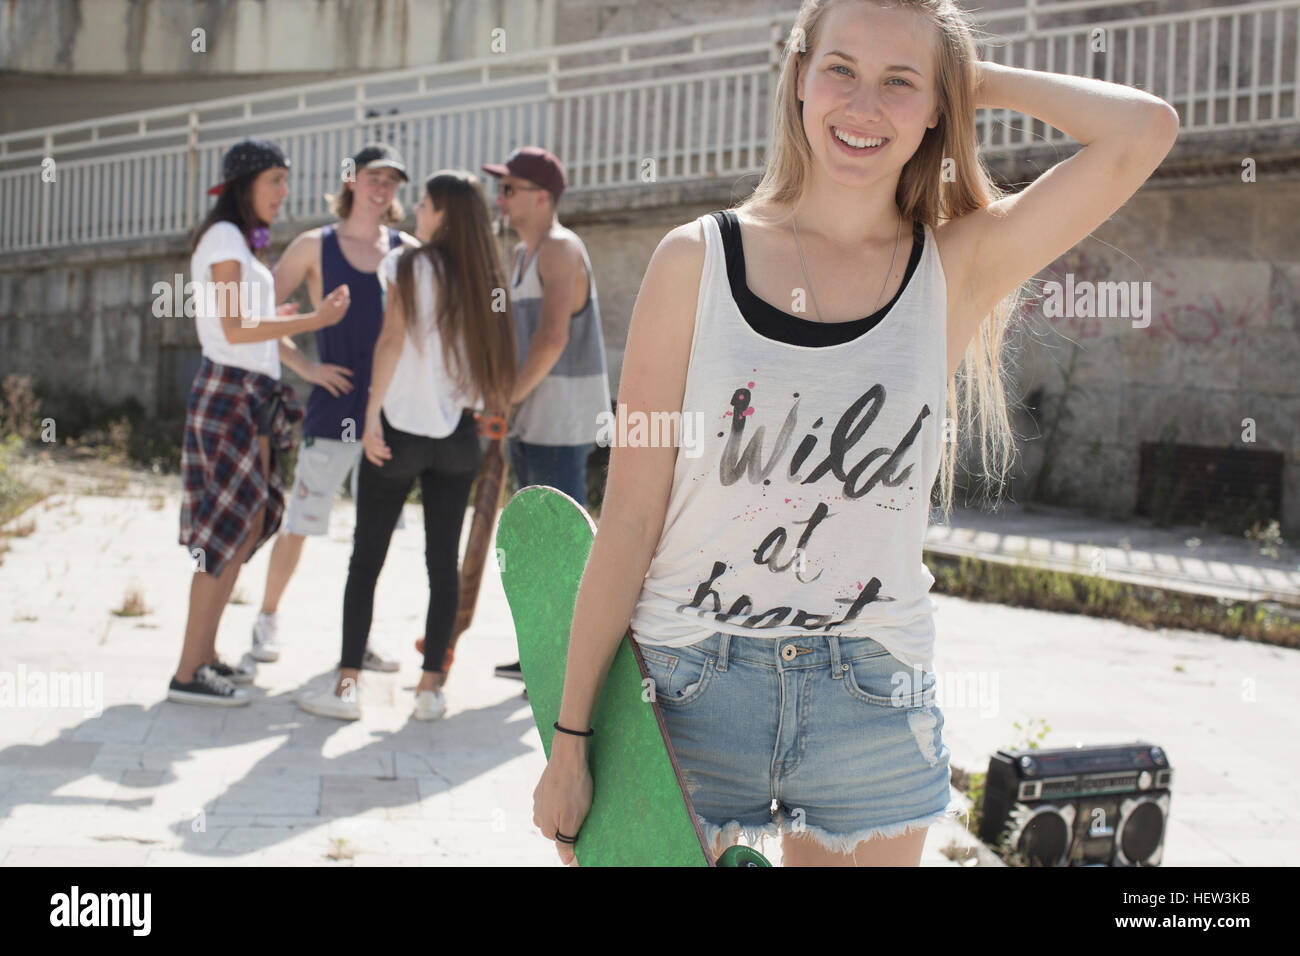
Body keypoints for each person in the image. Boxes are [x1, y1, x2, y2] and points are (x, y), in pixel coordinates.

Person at [530, 0, 1178, 865]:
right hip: (688, 681)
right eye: (841, 69)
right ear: (798, 77)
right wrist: (572, 739)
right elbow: (631, 518)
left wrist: (968, 77)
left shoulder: (955, 266)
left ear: (937, 107)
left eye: (899, 83)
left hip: (870, 689)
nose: (864, 105)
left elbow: (1143, 131)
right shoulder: (696, 263)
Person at [295, 170, 517, 722]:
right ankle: (429, 689)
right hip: (459, 437)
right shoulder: (485, 274)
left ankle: (347, 686)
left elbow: (391, 340)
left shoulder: (406, 263)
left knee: (366, 558)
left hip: (398, 432)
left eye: (424, 203)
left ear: (443, 212)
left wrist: (369, 415)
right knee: (442, 564)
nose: (415, 211)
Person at [171, 137, 351, 706]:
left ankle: (204, 656)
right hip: (229, 395)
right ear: (245, 182)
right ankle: (186, 672)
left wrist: (305, 363)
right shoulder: (225, 238)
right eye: (275, 178)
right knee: (224, 535)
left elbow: (257, 329)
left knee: (244, 527)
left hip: (250, 394)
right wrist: (317, 318)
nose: (284, 191)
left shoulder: (245, 245)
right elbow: (236, 330)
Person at [248, 142, 419, 671]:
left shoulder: (407, 251)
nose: (383, 187)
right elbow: (256, 319)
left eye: (392, 179)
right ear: (352, 180)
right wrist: (306, 368)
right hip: (333, 411)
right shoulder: (313, 246)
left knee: (374, 535)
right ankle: (266, 619)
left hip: (389, 418)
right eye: (374, 176)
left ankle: (358, 639)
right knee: (301, 520)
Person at [481, 146, 611, 681]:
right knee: (534, 539)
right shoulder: (521, 256)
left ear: (541, 197)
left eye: (509, 189)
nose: (500, 198)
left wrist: (506, 397)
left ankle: (567, 664)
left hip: (558, 417)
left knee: (561, 541)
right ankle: (541, 652)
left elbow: (553, 336)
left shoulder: (559, 248)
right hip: (532, 416)